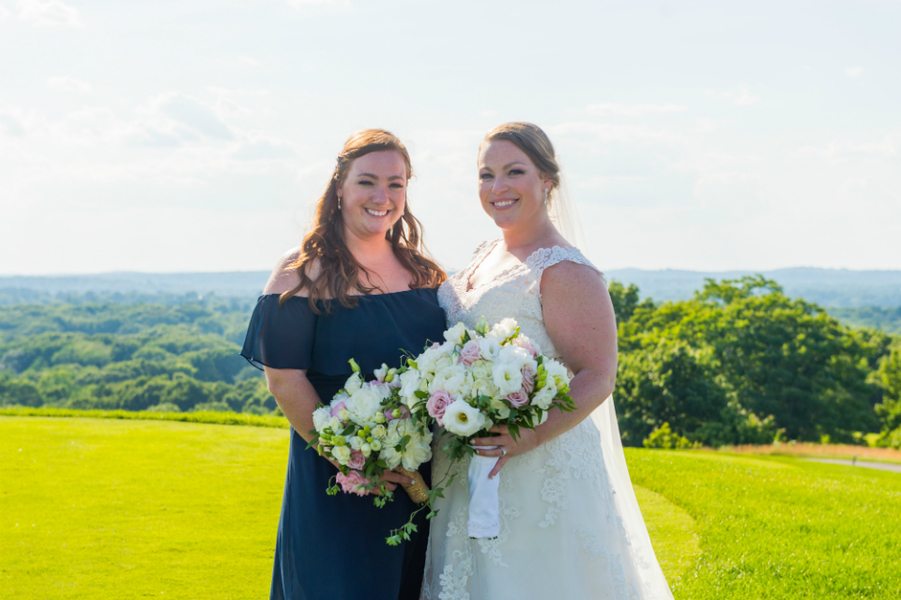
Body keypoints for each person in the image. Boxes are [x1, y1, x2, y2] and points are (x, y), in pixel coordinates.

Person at [421, 123, 674, 599]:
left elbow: (598, 374)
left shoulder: (565, 270)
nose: (498, 188)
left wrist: (528, 435)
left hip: (535, 469)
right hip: (462, 467)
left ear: (547, 181)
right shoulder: (483, 256)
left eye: (514, 172)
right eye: (486, 174)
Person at [241, 129, 447, 600]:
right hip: (337, 484)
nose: (383, 196)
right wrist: (356, 460)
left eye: (396, 184)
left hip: (420, 486)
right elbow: (284, 381)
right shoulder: (300, 272)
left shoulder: (425, 274)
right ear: (339, 187)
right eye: (367, 182)